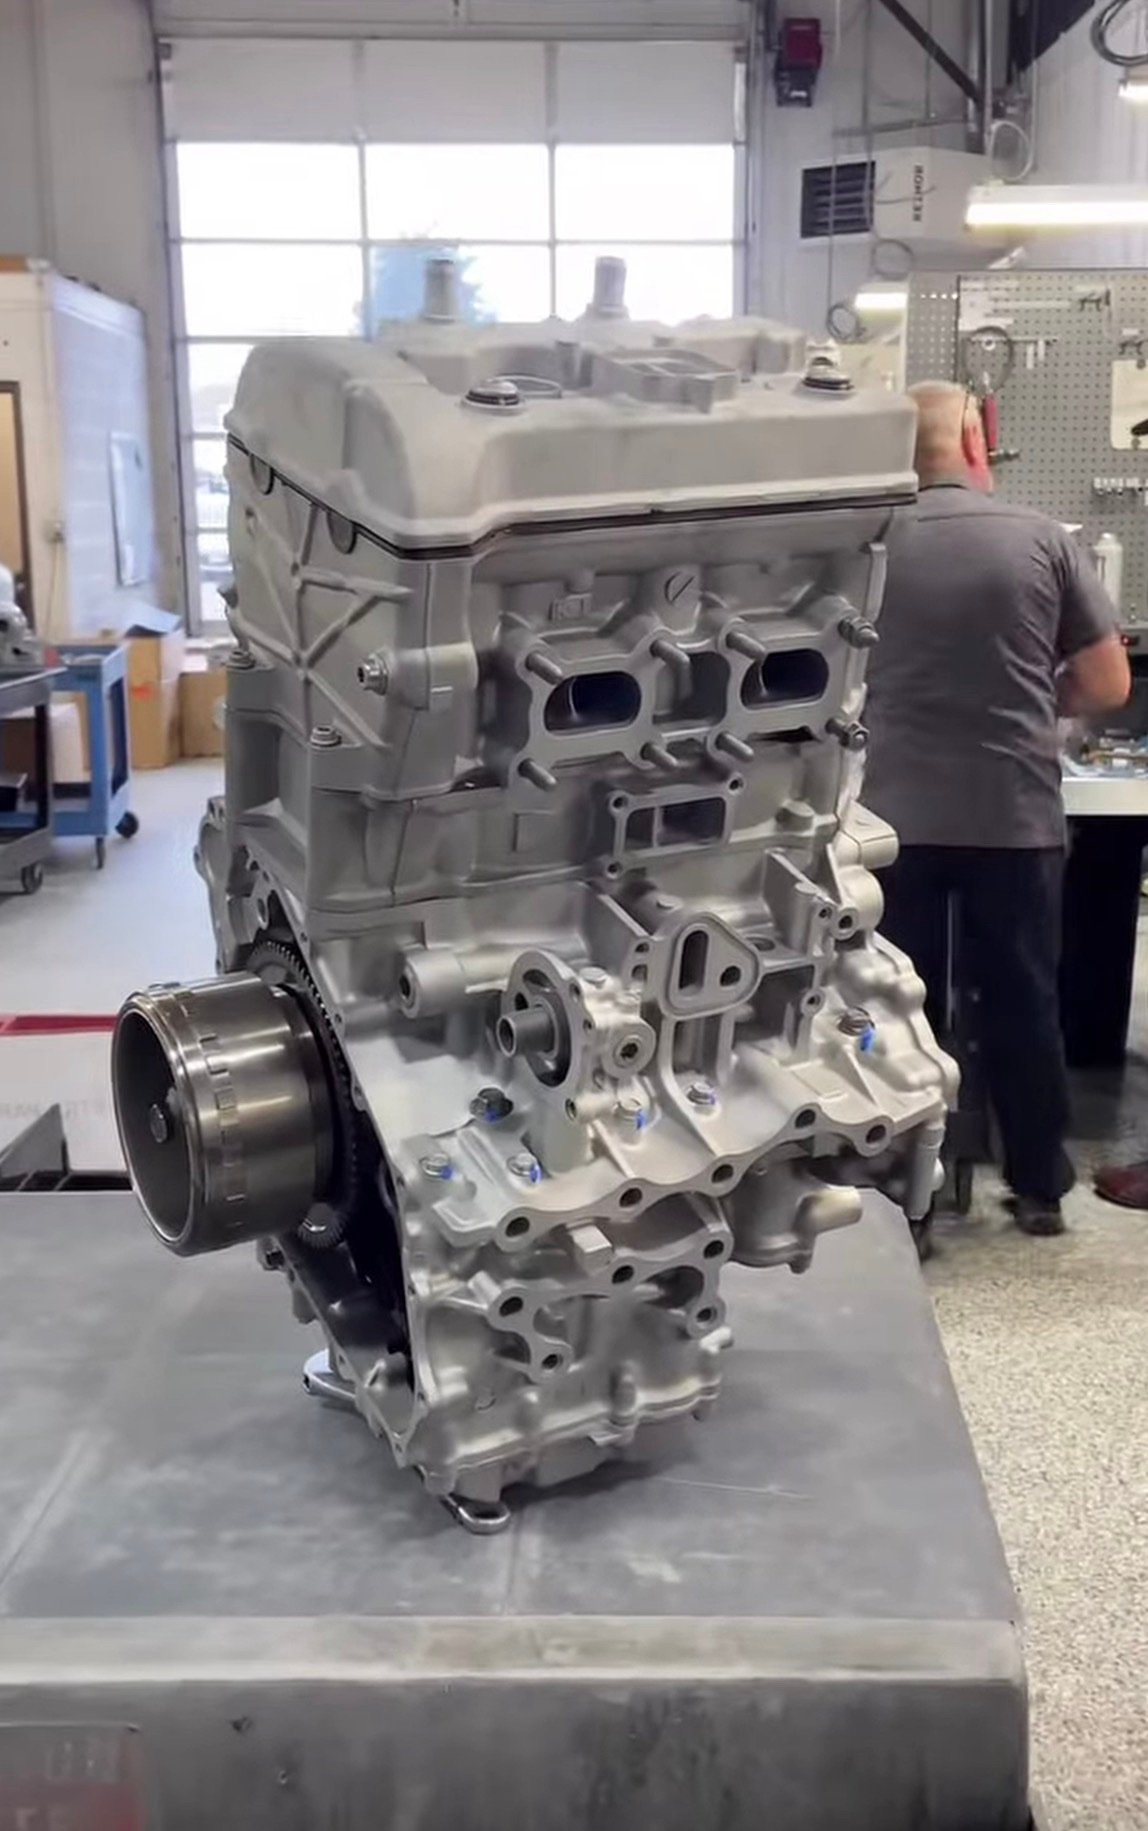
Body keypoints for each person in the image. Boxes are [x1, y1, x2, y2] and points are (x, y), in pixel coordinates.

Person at [865, 381, 1131, 1238]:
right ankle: (1039, 1185)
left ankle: (902, 1194)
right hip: (1011, 816)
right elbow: (1108, 683)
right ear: (977, 440)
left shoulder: (863, 541)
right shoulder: (1041, 539)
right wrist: (1038, 700)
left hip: (888, 823)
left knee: (892, 1006)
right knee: (1022, 997)